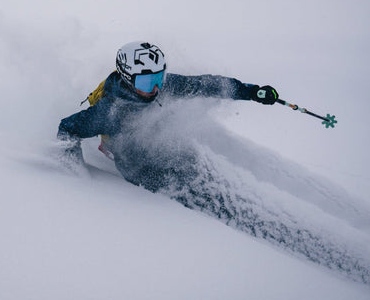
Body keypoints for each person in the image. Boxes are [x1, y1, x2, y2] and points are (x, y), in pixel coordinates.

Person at [57, 41, 279, 194]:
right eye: (146, 82)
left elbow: (205, 84)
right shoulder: (110, 112)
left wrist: (252, 92)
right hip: (136, 164)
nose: (155, 88)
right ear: (127, 79)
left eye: (159, 78)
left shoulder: (162, 88)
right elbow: (67, 128)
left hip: (160, 142)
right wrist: (76, 177)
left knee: (190, 161)